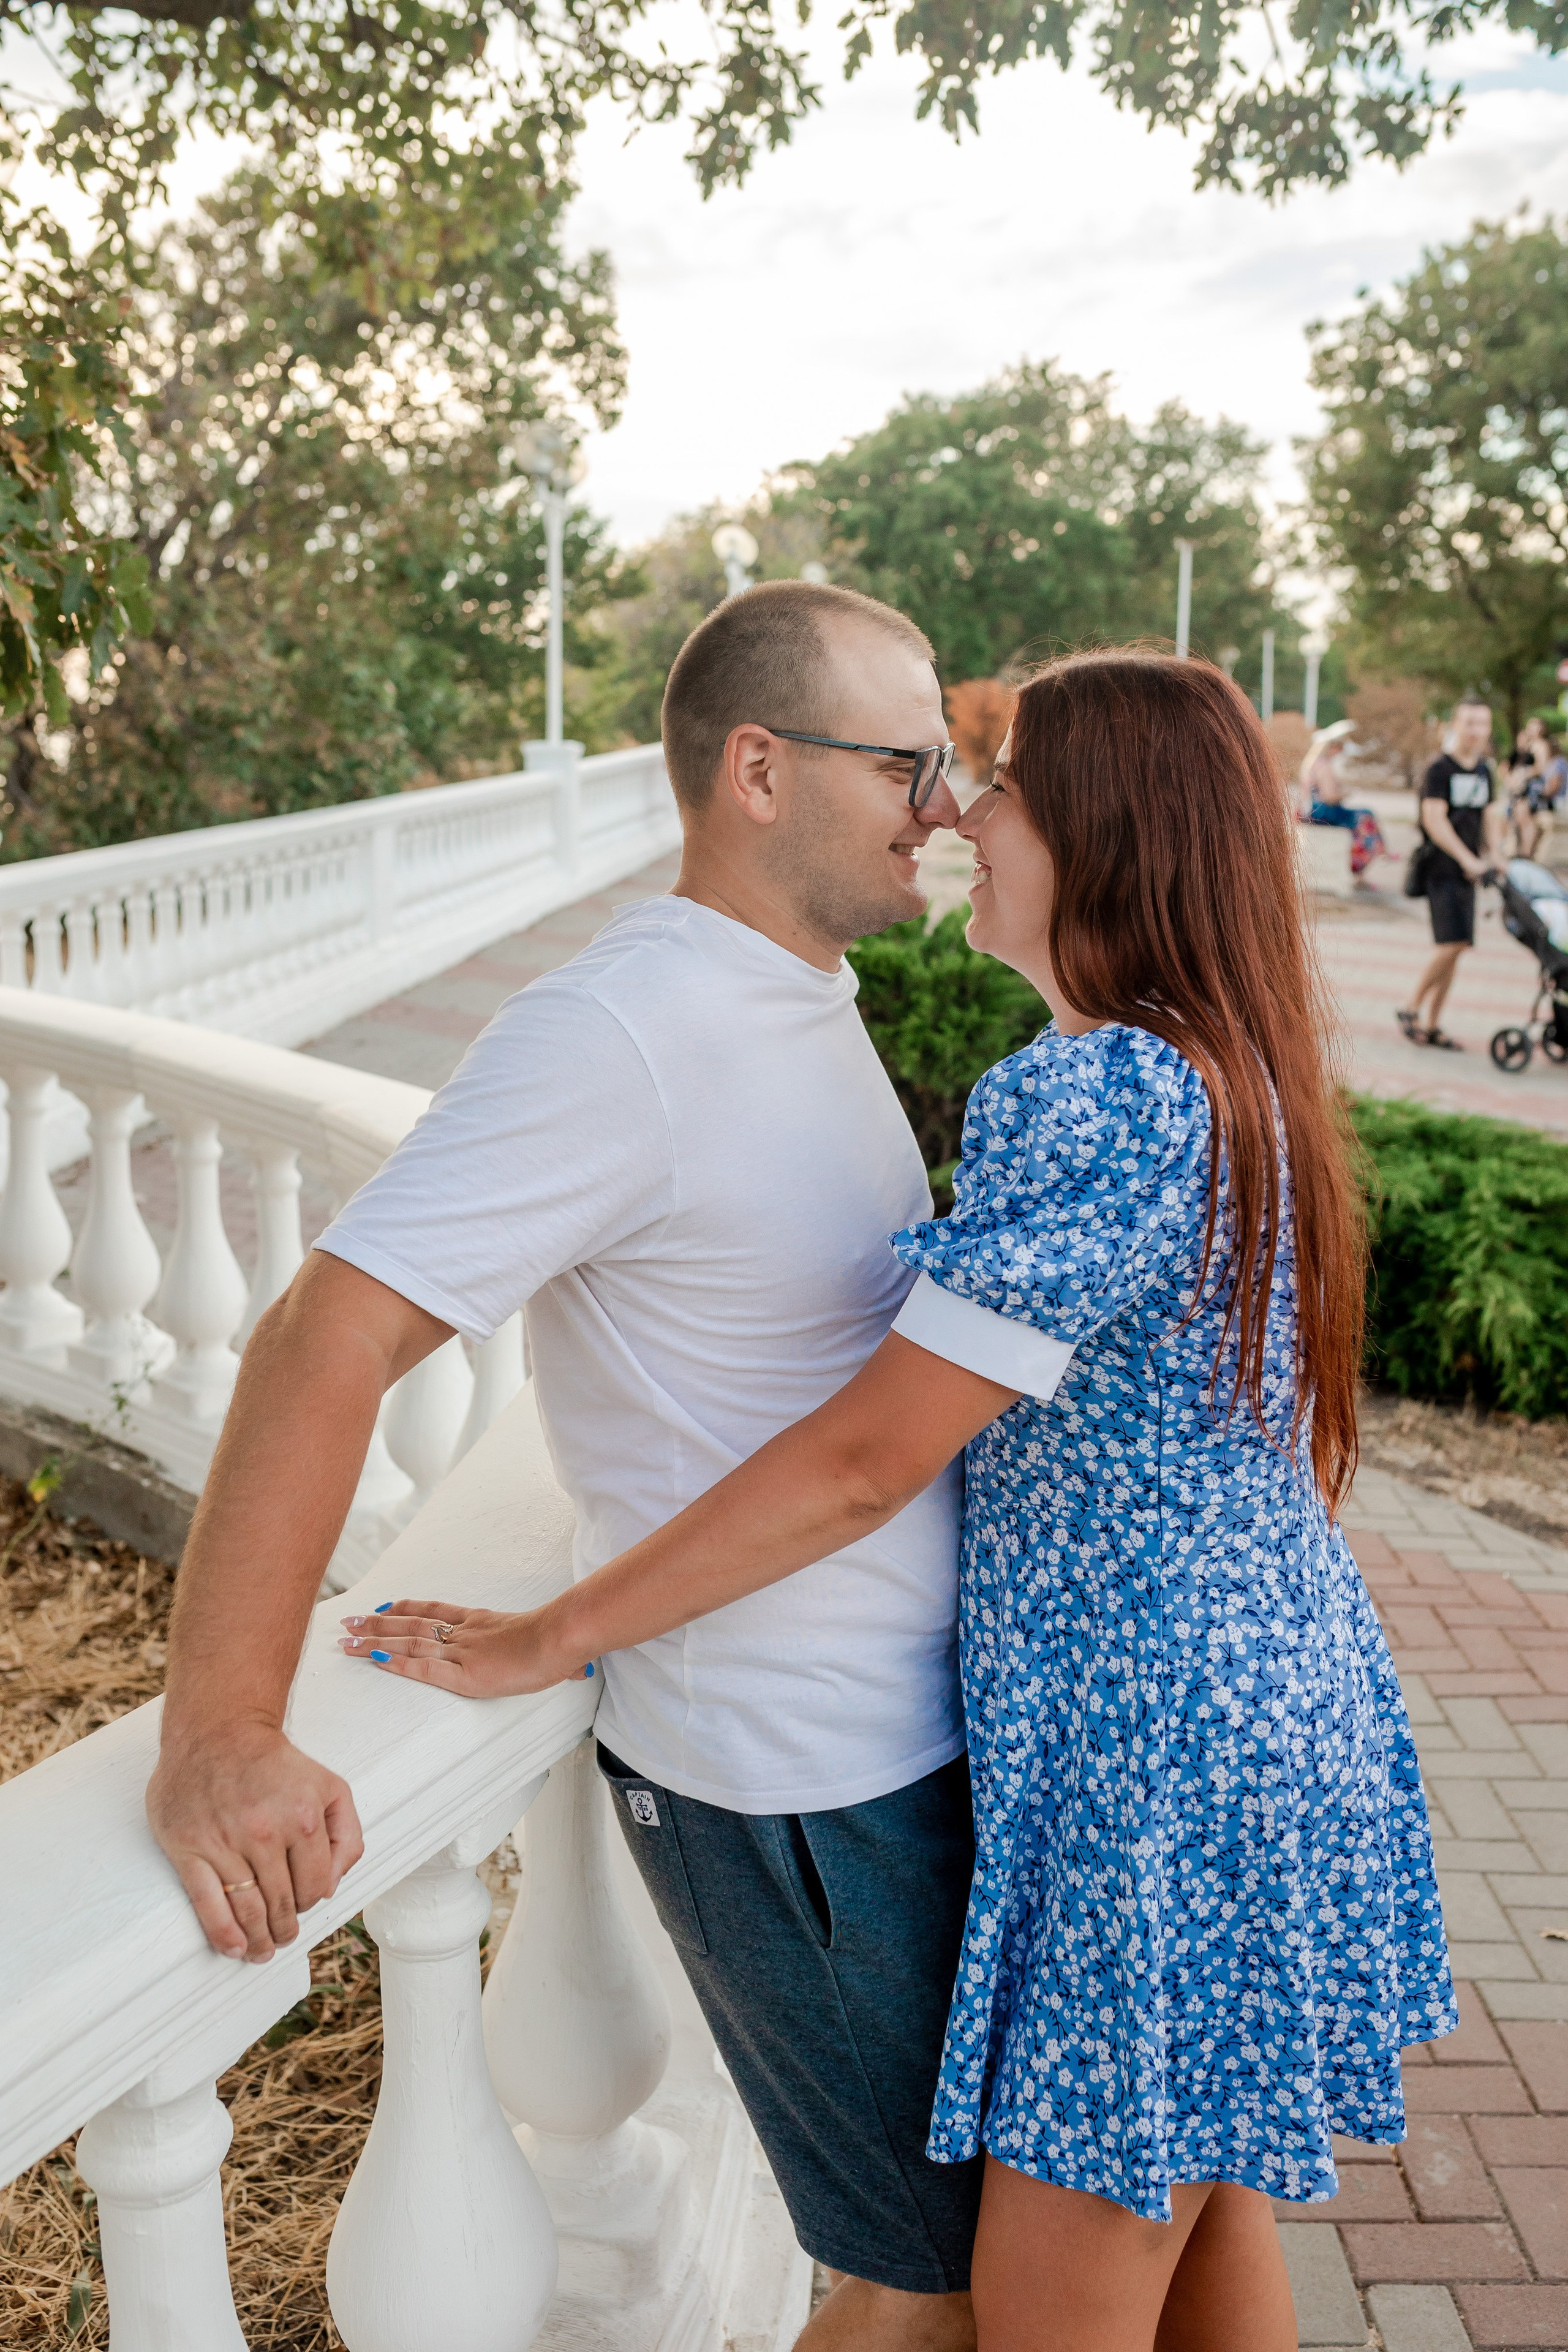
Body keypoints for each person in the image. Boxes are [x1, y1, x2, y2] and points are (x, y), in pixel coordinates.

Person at [349, 649, 1457, 2352]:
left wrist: (556, 1633)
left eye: (997, 782)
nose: (957, 810)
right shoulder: (1235, 1071)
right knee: (1207, 2217)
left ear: (1102, 833)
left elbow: (872, 1458)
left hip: (1149, 1771)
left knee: (1046, 2315)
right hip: (1268, 1714)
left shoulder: (1103, 1096)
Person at [146, 579, 984, 2352]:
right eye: (908, 762)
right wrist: (223, 1728)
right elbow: (326, 1337)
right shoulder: (620, 1032)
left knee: (975, 2270)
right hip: (791, 1779)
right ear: (757, 769)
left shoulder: (794, 985)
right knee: (927, 2293)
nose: (947, 806)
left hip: (895, 1744)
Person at [1398, 694, 1504, 1050]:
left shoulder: (1484, 771)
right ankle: (1411, 1009)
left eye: (1482, 724)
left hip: (1468, 875)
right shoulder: (1440, 769)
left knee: (1456, 948)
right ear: (1455, 725)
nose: (1476, 731)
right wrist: (1467, 859)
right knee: (1450, 945)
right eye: (1469, 723)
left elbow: (1489, 816)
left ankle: (1432, 1024)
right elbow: (1434, 819)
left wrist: (1497, 855)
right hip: (1441, 870)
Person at [1299, 717, 1385, 876]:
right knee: (1366, 816)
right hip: (1324, 812)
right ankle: (1362, 861)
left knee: (1362, 818)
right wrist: (1347, 793)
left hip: (1312, 810)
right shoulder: (1324, 766)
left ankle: (1365, 858)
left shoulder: (1311, 763)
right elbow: (1329, 797)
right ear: (1333, 748)